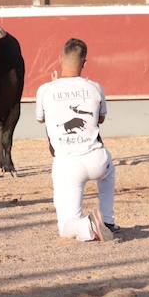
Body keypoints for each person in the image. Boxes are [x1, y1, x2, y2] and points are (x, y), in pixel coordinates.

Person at [36, 38, 118, 242]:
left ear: (60, 59)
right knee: (109, 168)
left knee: (66, 227)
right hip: (96, 159)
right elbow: (100, 119)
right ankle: (107, 219)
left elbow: (42, 119)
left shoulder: (46, 89)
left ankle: (88, 225)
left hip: (67, 165)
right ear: (84, 62)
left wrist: (55, 85)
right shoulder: (95, 87)